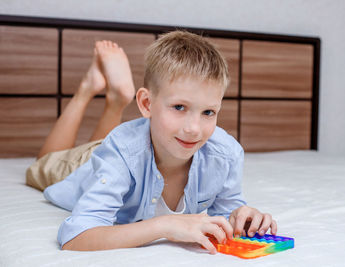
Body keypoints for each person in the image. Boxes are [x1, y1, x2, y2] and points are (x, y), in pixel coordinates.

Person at [26, 31, 277, 254]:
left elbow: (225, 213)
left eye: (208, 112)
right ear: (146, 104)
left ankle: (115, 99)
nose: (193, 129)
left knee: (109, 142)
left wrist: (242, 219)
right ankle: (87, 89)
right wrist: (164, 226)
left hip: (130, 143)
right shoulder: (122, 151)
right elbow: (75, 238)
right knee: (41, 164)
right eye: (179, 107)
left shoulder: (226, 153)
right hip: (86, 163)